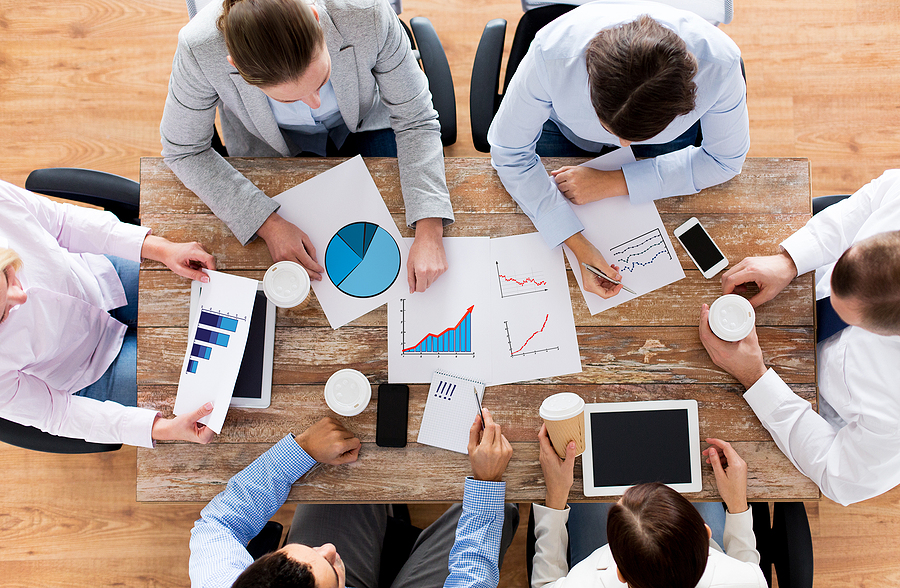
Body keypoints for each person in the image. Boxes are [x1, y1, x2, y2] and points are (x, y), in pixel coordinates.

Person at [160, 0, 454, 294]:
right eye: (288, 99)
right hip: (269, 142)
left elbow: (415, 119)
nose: (314, 102)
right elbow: (183, 149)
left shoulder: (367, 12)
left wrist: (430, 228)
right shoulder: (198, 47)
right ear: (234, 63)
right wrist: (268, 223)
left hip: (364, 119)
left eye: (321, 80)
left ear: (316, 19)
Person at [488, 0, 749, 299]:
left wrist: (615, 181)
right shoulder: (552, 54)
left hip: (665, 145)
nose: (625, 146)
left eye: (633, 138)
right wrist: (576, 242)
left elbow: (725, 160)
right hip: (563, 127)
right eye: (612, 129)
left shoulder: (721, 65)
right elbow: (509, 153)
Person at [699, 170, 900, 506]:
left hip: (811, 405)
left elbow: (841, 476)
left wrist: (756, 378)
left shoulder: (892, 411)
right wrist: (790, 261)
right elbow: (870, 202)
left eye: (847, 312)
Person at [0, 178, 218, 448]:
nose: (21, 296)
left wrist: (161, 248)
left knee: (215, 289)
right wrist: (161, 428)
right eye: (3, 315)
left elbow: (61, 222)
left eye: (8, 276)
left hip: (99, 279)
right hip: (89, 370)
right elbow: (57, 413)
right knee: (212, 390)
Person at [190, 410, 518, 587]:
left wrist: (301, 450)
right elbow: (470, 582)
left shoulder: (222, 581)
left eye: (292, 551)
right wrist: (486, 483)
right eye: (330, 566)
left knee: (345, 471)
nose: (329, 548)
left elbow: (217, 523)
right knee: (501, 505)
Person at [532, 425, 766, 587]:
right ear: (705, 533)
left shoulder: (584, 583)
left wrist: (555, 497)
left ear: (620, 574)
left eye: (619, 500)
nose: (622, 493)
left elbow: (546, 585)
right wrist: (736, 504)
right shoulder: (749, 581)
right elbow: (745, 570)